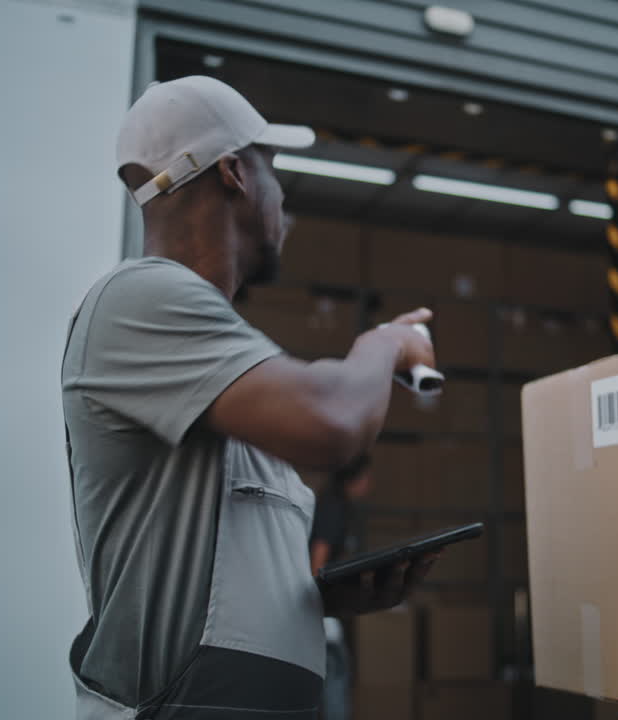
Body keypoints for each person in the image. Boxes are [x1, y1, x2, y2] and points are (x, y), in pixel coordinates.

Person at [60, 75, 439, 720]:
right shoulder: (139, 299)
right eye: (273, 169)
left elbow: (220, 569)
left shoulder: (221, 353)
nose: (283, 196)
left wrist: (316, 598)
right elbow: (336, 419)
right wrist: (387, 343)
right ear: (234, 172)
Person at [309, 455, 374, 720]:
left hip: (323, 614)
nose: (369, 484)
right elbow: (318, 563)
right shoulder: (332, 509)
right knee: (335, 677)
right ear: (353, 479)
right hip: (321, 618)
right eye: (367, 478)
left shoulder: (338, 507)